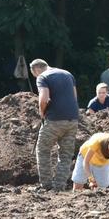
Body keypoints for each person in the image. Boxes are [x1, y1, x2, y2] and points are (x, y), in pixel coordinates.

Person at [29, 58, 79, 191]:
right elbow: (74, 97)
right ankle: (59, 187)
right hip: (73, 119)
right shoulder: (68, 74)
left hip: (54, 120)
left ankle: (46, 186)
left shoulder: (42, 77)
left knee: (42, 150)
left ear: (36, 70)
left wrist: (42, 113)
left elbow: (44, 98)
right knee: (66, 155)